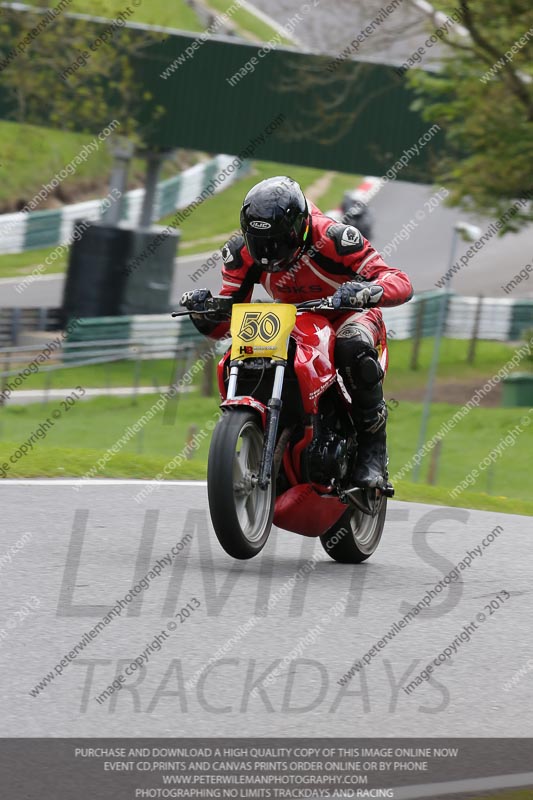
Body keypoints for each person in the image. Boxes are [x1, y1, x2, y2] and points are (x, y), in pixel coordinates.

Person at [180, 176, 413, 489]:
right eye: (261, 244)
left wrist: (367, 291)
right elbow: (228, 320)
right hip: (291, 318)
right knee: (240, 351)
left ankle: (373, 449)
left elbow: (399, 281)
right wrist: (203, 312)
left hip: (349, 315)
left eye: (278, 241)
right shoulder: (239, 253)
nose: (270, 254)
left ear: (300, 228)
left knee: (352, 346)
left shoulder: (335, 238)